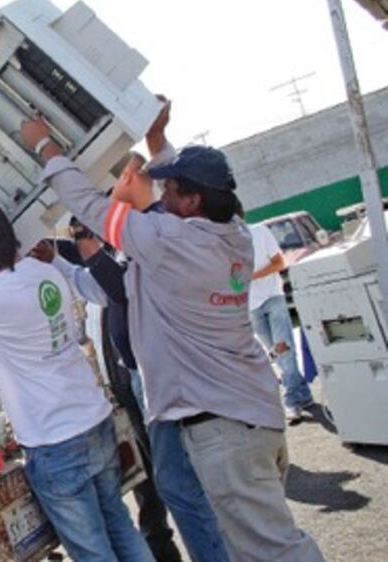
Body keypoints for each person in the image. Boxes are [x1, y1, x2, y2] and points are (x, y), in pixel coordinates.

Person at [21, 113, 325, 562]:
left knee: (275, 551)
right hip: (253, 413)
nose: (162, 194)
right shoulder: (233, 235)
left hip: (223, 430)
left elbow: (90, 207)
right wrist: (158, 140)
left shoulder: (170, 242)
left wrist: (44, 144)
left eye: (172, 189)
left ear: (193, 201)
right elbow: (123, 276)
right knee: (254, 543)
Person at [0, 202, 153, 562]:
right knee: (120, 526)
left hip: (54, 439)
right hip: (92, 419)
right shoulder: (46, 271)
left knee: (94, 551)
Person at [247, 221, 314, 422]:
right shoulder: (223, 243)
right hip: (250, 306)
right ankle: (303, 394)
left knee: (283, 350)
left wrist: (252, 276)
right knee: (276, 353)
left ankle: (291, 401)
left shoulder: (259, 232)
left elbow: (279, 262)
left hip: (272, 297)